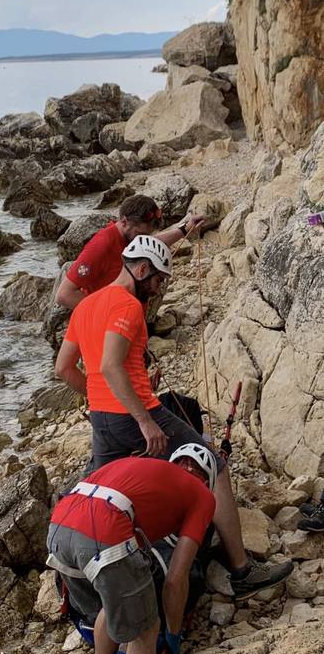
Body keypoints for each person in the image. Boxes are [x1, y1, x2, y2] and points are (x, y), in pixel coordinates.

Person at [54, 235, 294, 599]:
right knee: (214, 465)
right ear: (141, 269)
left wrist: (98, 396)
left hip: (104, 418)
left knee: (108, 495)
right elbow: (111, 365)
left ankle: (99, 587)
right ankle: (242, 569)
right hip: (137, 413)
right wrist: (144, 420)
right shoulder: (128, 305)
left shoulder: (86, 305)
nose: (160, 287)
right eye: (158, 279)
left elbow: (64, 368)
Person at [47, 444, 217, 654]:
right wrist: (172, 634)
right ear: (207, 482)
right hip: (103, 529)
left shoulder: (141, 469)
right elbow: (175, 579)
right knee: (145, 630)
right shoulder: (203, 496)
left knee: (112, 600)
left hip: (59, 526)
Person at [55, 194, 203, 310]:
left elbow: (152, 244)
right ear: (124, 222)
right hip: (110, 325)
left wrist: (185, 229)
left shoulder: (133, 238)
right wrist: (104, 312)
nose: (144, 240)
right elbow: (64, 295)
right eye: (140, 234)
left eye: (147, 235)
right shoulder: (102, 245)